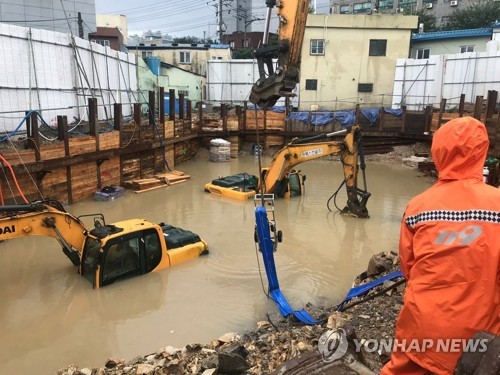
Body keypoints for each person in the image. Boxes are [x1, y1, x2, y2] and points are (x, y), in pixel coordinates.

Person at [381, 116, 500, 375]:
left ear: (438, 153)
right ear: (481, 151)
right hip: (479, 336)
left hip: (422, 326)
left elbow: (408, 266)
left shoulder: (418, 206)